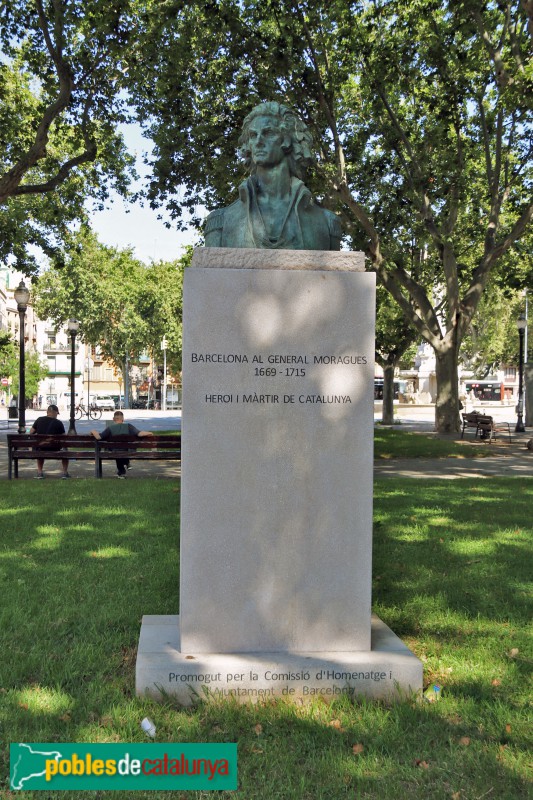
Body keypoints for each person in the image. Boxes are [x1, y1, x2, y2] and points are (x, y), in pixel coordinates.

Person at [205, 101, 341, 251]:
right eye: (253, 135)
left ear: (288, 140)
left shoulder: (327, 222)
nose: (258, 142)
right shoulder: (222, 221)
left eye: (268, 133)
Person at [90, 411, 154, 478]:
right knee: (122, 449)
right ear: (123, 419)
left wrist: (93, 431)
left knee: (117, 450)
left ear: (113, 419)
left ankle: (122, 472)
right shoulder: (129, 426)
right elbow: (139, 434)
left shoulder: (110, 428)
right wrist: (149, 433)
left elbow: (98, 437)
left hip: (114, 451)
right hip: (128, 450)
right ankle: (126, 462)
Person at [30, 404, 70, 479]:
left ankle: (40, 472)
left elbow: (31, 432)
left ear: (47, 412)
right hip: (55, 449)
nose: (57, 415)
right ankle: (65, 472)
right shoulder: (59, 423)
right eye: (57, 413)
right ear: (55, 412)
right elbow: (64, 437)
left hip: (41, 448)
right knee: (65, 450)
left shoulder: (39, 420)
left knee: (40, 448)